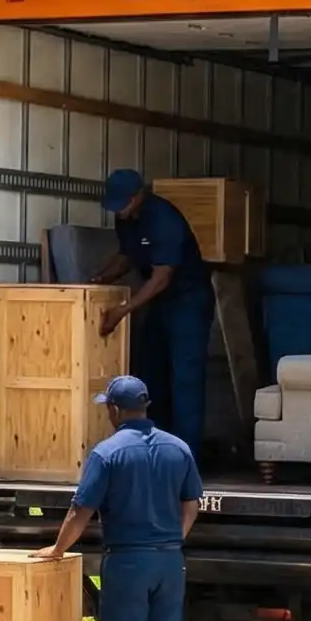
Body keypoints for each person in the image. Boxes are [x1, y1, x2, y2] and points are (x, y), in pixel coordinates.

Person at [38, 375, 202, 621]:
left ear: (113, 410)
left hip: (128, 562)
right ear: (145, 407)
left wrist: (58, 549)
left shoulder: (107, 453)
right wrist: (172, 539)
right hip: (168, 561)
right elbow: (192, 501)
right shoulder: (177, 448)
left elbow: (81, 510)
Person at [90, 169, 214, 449]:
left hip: (188, 302)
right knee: (152, 375)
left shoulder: (163, 219)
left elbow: (162, 277)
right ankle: (155, 448)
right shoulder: (125, 219)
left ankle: (185, 456)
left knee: (185, 380)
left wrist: (124, 310)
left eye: (122, 204)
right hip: (159, 302)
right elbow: (127, 256)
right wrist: (99, 279)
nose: (118, 212)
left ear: (138, 197)